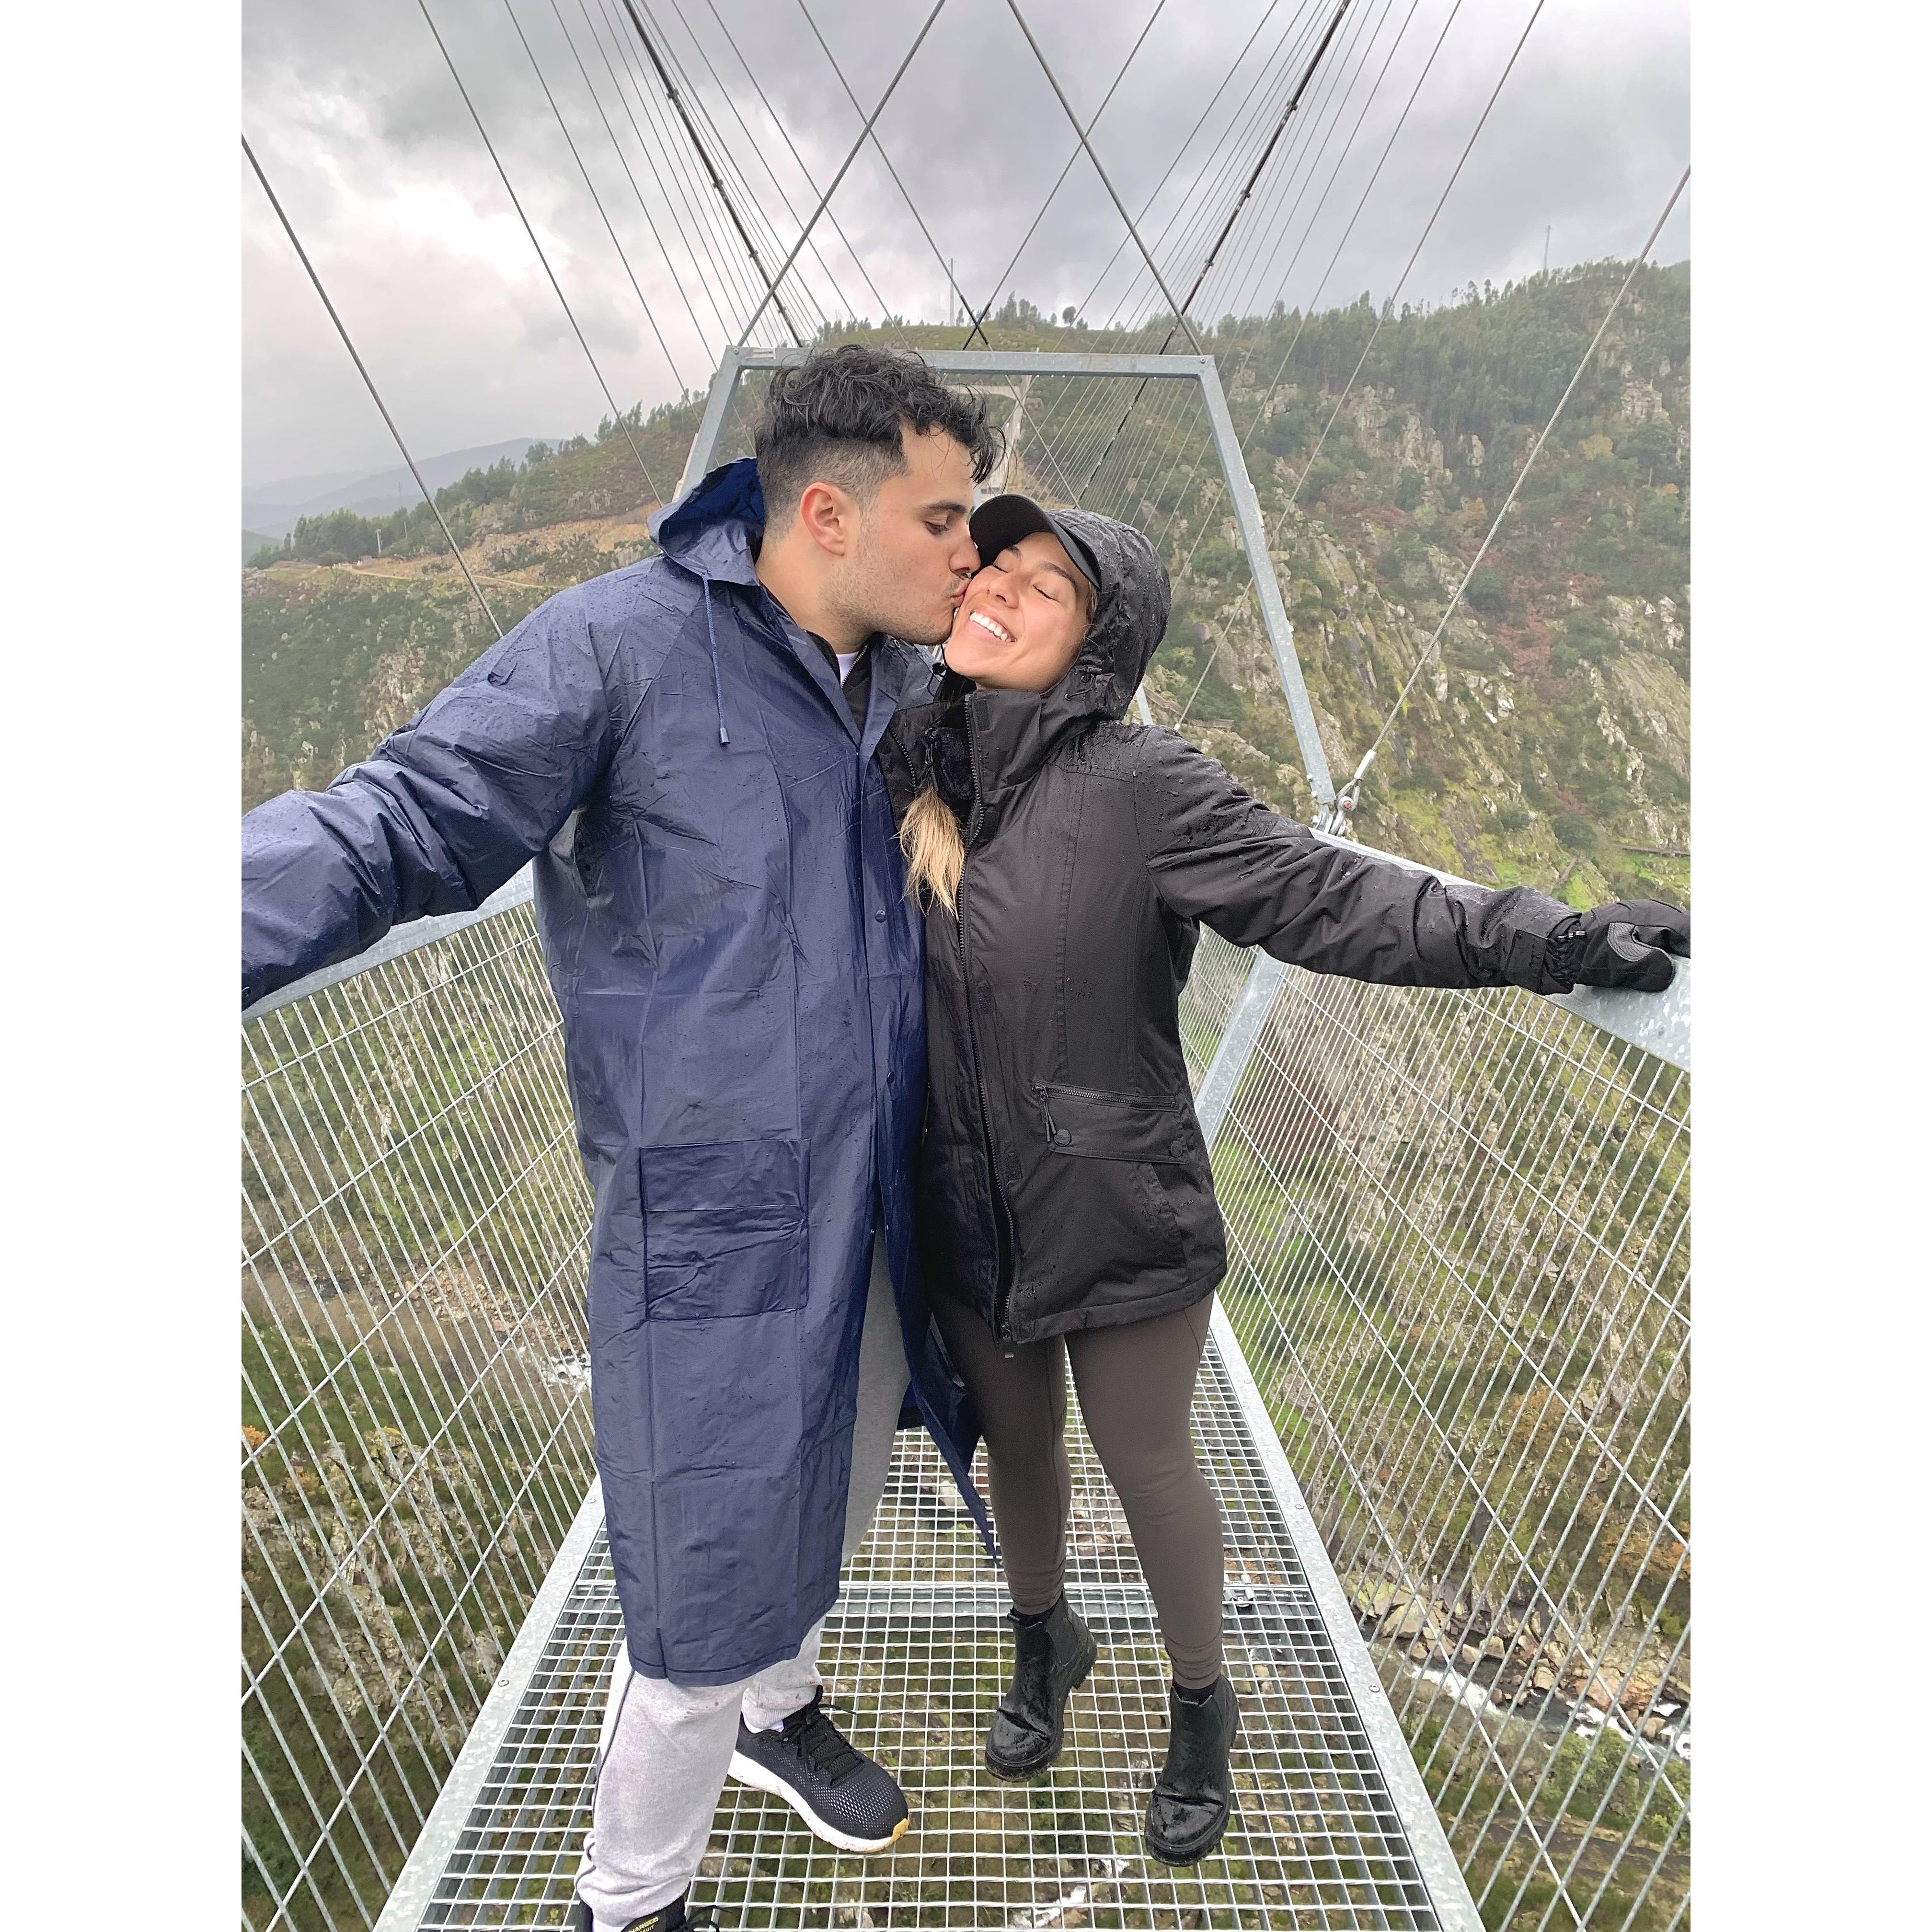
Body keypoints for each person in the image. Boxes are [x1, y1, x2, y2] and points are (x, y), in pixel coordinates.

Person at [241, 345, 1007, 1932]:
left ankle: (782, 1717)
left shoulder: (910, 683)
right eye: (943, 519)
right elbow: (406, 817)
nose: (969, 552)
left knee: (843, 1478)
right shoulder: (619, 648)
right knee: (701, 1590)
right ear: (828, 512)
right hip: (714, 1218)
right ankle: (632, 1899)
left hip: (883, 1195)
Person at [879, 494, 1689, 1867]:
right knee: (1015, 1444)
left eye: (1044, 587)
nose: (997, 590)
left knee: (1145, 1462)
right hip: (962, 1201)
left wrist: (1546, 942)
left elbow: (1332, 895)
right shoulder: (915, 760)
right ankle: (1046, 1639)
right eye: (994, 566)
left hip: (1117, 1205)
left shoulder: (1143, 785)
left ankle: (1202, 1704)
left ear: (1095, 649)